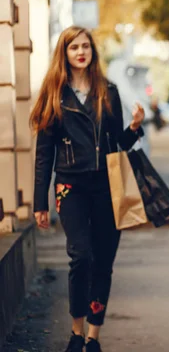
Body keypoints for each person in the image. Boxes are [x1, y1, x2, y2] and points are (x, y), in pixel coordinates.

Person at [31, 26, 145, 352]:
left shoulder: (108, 92)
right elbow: (43, 154)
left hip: (108, 187)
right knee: (81, 256)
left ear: (92, 51)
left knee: (103, 262)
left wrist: (134, 128)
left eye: (86, 46)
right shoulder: (54, 94)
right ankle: (75, 331)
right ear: (64, 54)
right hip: (71, 186)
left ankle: (93, 337)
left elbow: (116, 146)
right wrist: (40, 203)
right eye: (74, 47)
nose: (81, 52)